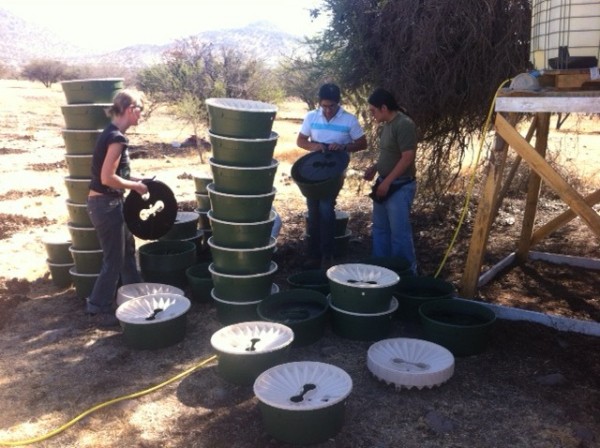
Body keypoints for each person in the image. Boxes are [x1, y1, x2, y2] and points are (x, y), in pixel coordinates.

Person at [86, 89, 149, 327]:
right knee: (114, 259)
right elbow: (107, 178)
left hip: (109, 203)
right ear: (131, 110)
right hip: (105, 204)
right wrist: (135, 186)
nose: (141, 116)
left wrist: (134, 182)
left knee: (127, 255)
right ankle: (97, 307)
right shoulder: (117, 138)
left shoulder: (112, 133)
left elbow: (114, 175)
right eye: (140, 110)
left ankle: (136, 298)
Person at [296, 83, 367, 269]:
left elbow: (362, 143)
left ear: (338, 103)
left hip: (334, 169)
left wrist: (343, 146)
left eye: (332, 106)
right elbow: (301, 140)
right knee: (312, 210)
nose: (327, 110)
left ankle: (327, 255)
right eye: (324, 106)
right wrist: (315, 146)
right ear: (319, 103)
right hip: (314, 167)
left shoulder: (349, 120)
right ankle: (313, 254)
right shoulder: (311, 117)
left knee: (326, 209)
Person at [364, 87, 418, 274]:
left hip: (399, 186)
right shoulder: (386, 125)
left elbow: (407, 157)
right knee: (380, 229)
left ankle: (405, 274)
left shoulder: (404, 124)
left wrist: (387, 183)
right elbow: (389, 154)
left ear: (384, 107)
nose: (372, 115)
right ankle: (381, 272)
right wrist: (376, 168)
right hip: (384, 182)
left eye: (373, 110)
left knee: (399, 234)